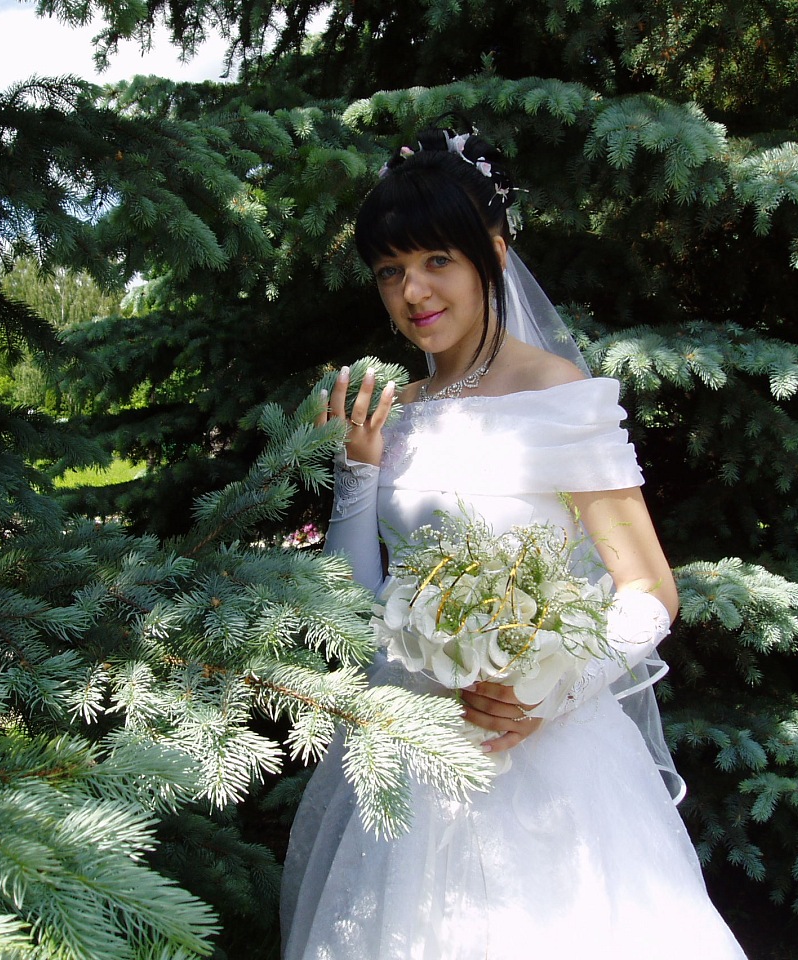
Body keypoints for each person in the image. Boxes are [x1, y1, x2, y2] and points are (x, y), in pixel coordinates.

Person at [281, 129, 747, 959]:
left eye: (437, 260)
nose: (412, 291)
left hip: (549, 754)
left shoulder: (560, 397)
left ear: (492, 254)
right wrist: (357, 471)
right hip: (414, 745)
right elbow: (352, 613)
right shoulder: (396, 410)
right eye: (390, 270)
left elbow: (649, 590)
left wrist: (551, 689)